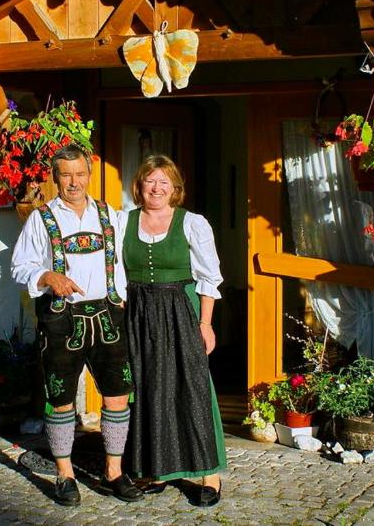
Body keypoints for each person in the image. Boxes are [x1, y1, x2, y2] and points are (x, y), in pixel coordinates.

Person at [11, 145, 143, 507]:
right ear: (55, 177)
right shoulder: (41, 218)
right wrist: (46, 275)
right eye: (66, 175)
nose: (74, 182)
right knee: (61, 397)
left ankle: (113, 472)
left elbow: (129, 258)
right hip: (61, 318)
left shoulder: (109, 214)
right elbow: (19, 266)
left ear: (89, 175)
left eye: (80, 174)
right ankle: (65, 475)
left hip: (108, 315)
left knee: (117, 394)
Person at [123, 154, 226, 507]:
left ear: (175, 188)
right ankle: (156, 470)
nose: (156, 187)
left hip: (180, 309)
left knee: (192, 386)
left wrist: (206, 323)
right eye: (150, 180)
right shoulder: (124, 221)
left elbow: (209, 277)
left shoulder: (192, 223)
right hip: (137, 312)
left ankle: (208, 473)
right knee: (147, 387)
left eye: (163, 181)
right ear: (140, 186)